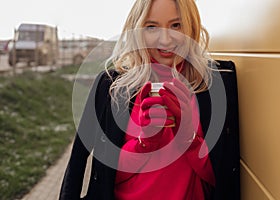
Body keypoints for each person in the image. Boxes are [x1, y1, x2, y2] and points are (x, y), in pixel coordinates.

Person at [59, 0, 220, 199]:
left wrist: (188, 137)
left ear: (191, 26)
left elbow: (220, 178)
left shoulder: (210, 85)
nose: (166, 40)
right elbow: (83, 167)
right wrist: (145, 143)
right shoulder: (111, 85)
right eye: (151, 27)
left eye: (176, 25)